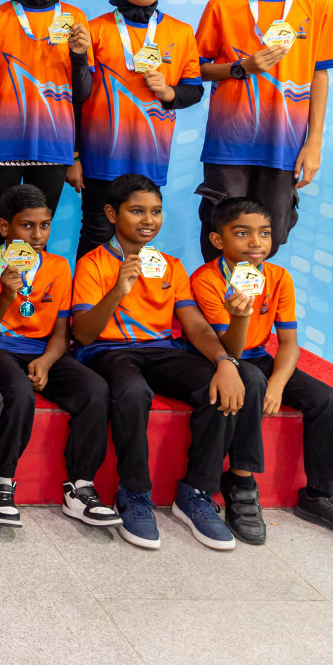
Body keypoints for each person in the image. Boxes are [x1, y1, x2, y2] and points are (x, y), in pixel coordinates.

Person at [71, 174, 267, 551]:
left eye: (156, 211)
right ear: (112, 213)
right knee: (131, 391)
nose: (148, 220)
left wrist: (225, 361)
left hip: (162, 349)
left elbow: (194, 325)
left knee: (221, 384)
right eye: (137, 211)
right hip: (107, 351)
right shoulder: (93, 263)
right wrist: (118, 290)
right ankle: (134, 493)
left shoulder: (171, 266)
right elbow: (82, 334)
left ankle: (196, 492)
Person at [191, 197, 333, 543]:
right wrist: (240, 315)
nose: (256, 243)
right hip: (222, 357)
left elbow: (289, 344)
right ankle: (241, 481)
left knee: (326, 399)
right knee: (253, 380)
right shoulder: (206, 280)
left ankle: (320, 495)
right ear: (218, 240)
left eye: (264, 233)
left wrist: (278, 384)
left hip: (260, 356)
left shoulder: (278, 277)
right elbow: (229, 349)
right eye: (242, 233)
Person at [0, 185, 120, 529]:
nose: (37, 235)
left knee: (95, 390)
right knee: (18, 390)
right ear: (5, 227)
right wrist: (6, 296)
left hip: (43, 352)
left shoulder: (59, 267)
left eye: (44, 225)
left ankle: (80, 487)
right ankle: (0, 483)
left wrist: (47, 362)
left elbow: (62, 333)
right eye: (27, 226)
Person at [195, 0, 333, 260]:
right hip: (229, 144)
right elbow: (195, 69)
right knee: (222, 233)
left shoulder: (318, 6)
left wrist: (314, 142)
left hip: (285, 144)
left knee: (266, 239)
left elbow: (319, 74)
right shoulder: (222, 6)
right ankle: (211, 312)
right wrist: (242, 67)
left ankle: (249, 313)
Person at [71, 0, 203, 256]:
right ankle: (86, 304)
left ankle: (130, 304)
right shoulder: (96, 30)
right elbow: (78, 98)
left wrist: (169, 92)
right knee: (96, 231)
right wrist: (74, 156)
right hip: (102, 158)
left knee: (139, 236)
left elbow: (194, 90)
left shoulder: (181, 32)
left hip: (149, 156)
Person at [0, 0, 93, 250]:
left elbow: (83, 95)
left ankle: (29, 300)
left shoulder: (75, 18)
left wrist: (80, 58)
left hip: (54, 148)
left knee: (36, 238)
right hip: (3, 147)